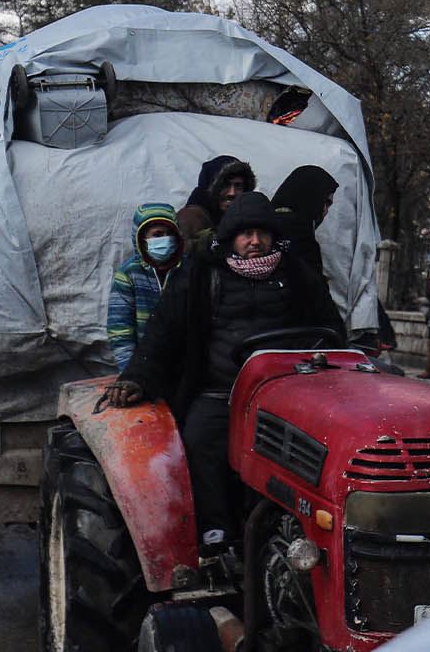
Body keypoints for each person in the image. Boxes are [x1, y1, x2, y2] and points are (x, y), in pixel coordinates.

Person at [107, 192, 344, 550]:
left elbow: (330, 329)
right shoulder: (202, 274)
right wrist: (137, 376)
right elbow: (164, 332)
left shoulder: (296, 273)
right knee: (199, 441)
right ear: (231, 237)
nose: (254, 241)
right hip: (221, 392)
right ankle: (213, 529)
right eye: (245, 234)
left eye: (261, 233)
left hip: (287, 396)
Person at [107, 203, 183, 371]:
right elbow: (120, 331)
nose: (166, 239)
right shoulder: (129, 274)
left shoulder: (187, 269)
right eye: (157, 235)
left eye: (170, 234)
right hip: (143, 366)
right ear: (141, 238)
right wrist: (130, 374)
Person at [272, 165, 338, 275]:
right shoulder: (299, 234)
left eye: (329, 204)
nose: (325, 210)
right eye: (325, 202)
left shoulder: (267, 222)